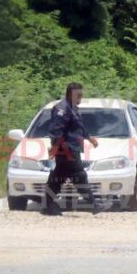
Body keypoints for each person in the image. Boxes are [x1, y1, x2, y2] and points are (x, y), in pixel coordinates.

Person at [43, 82, 101, 216]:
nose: (81, 97)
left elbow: (77, 126)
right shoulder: (62, 109)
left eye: (82, 94)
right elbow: (56, 130)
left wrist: (89, 138)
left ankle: (47, 205)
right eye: (78, 94)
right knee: (79, 175)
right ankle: (93, 204)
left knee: (59, 177)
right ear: (71, 94)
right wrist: (57, 147)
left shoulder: (73, 108)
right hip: (67, 148)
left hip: (72, 147)